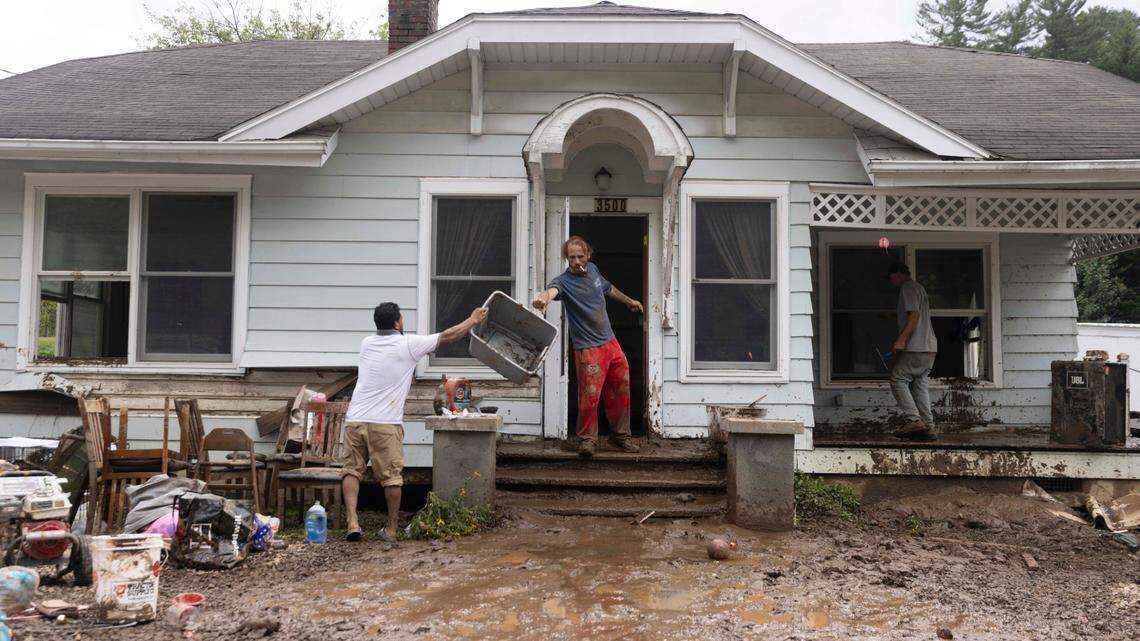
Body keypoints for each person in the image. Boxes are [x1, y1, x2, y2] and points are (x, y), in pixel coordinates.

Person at [342, 301, 487, 542]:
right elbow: (449, 336)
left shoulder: (366, 343)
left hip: (355, 418)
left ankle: (352, 523)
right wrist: (473, 319)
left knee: (351, 471)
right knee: (391, 477)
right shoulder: (407, 344)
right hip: (384, 423)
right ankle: (391, 529)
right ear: (397, 323)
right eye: (401, 318)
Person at [532, 235, 644, 457]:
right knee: (589, 395)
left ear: (588, 255)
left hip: (611, 342)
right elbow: (551, 291)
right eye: (571, 257)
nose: (576, 262)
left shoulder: (592, 270)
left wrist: (630, 301)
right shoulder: (563, 282)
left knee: (621, 389)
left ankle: (620, 436)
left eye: (580, 256)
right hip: (588, 349)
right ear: (566, 258)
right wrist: (542, 300)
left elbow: (607, 288)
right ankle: (587, 440)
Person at [886, 262, 939, 440]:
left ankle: (913, 420)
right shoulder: (919, 288)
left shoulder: (907, 287)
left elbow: (914, 315)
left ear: (899, 274)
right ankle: (929, 427)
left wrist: (901, 340)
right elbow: (915, 314)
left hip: (916, 345)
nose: (891, 282)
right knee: (919, 384)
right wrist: (893, 316)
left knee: (898, 379)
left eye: (891, 278)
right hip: (928, 346)